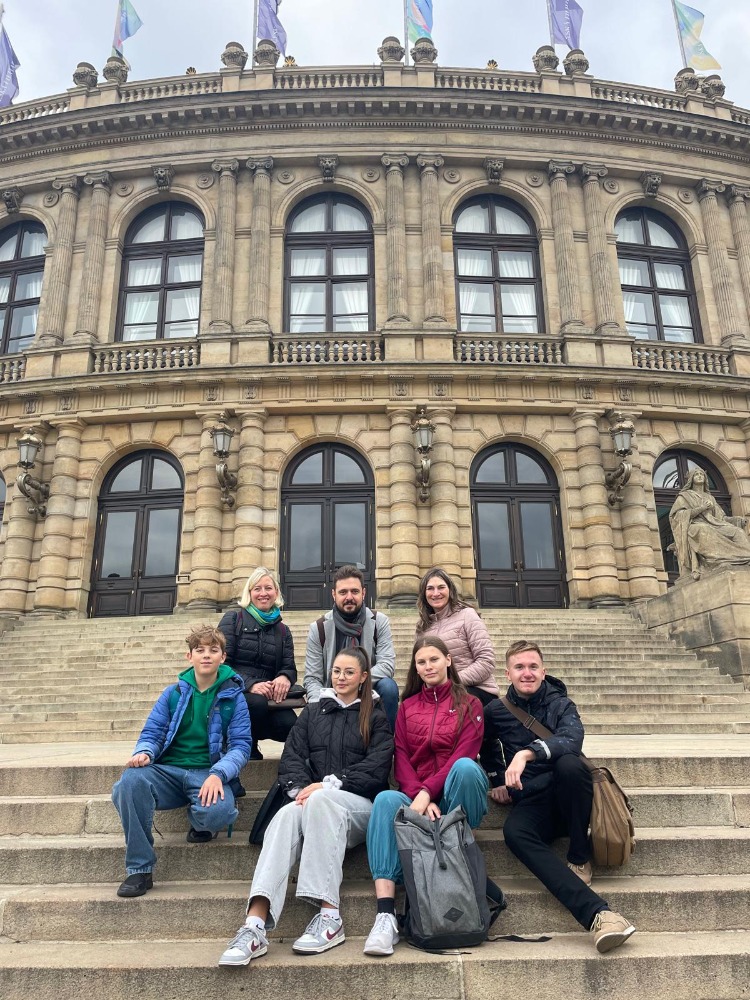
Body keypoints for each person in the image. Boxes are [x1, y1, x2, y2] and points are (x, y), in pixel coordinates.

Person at [218, 646, 394, 965]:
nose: (341, 677)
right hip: (316, 805)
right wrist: (301, 791)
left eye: (349, 672)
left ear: (363, 677)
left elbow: (377, 768)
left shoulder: (376, 715)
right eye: (336, 671)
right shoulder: (313, 712)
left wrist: (329, 784)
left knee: (322, 799)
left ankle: (330, 916)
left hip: (360, 809)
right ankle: (254, 925)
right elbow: (293, 757)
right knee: (287, 815)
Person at [482, 639, 636, 954]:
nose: (527, 673)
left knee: (569, 764)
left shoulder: (561, 704)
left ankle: (579, 856)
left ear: (543, 671)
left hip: (571, 799)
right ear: (508, 673)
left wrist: (526, 753)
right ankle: (601, 915)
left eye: (533, 666)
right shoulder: (496, 710)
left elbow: (571, 740)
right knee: (514, 832)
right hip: (533, 800)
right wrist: (497, 779)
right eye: (519, 667)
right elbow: (485, 744)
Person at [363, 635, 487, 957]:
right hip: (417, 796)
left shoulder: (471, 704)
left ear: (448, 660)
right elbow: (401, 757)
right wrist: (420, 794)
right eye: (421, 662)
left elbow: (464, 752)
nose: (428, 666)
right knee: (385, 801)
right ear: (415, 668)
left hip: (454, 795)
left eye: (434, 659)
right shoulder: (407, 707)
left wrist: (428, 792)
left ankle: (458, 844)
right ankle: (385, 915)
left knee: (466, 768)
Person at [111, 625, 251, 898]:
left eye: (213, 650)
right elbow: (152, 733)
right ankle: (139, 869)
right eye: (200, 650)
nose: (206, 655)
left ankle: (200, 820)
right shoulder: (172, 693)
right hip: (168, 771)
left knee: (218, 814)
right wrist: (145, 752)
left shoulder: (234, 697)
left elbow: (241, 746)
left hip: (207, 772)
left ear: (223, 657)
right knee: (128, 783)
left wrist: (219, 774)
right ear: (190, 656)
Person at [303, 564, 399, 730]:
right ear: (334, 594)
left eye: (354, 591)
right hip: (333, 692)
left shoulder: (379, 622)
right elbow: (312, 678)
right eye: (343, 592)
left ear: (363, 593)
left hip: (368, 689)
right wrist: (319, 706)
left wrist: (354, 683)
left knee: (389, 687)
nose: (349, 597)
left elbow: (387, 665)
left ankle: (386, 741)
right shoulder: (318, 628)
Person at [218, 567, 298, 760]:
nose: (263, 593)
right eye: (257, 588)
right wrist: (250, 685)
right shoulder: (233, 619)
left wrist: (284, 677)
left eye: (268, 588)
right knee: (256, 702)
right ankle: (244, 745)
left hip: (267, 696)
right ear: (249, 593)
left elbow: (289, 666)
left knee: (290, 724)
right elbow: (220, 665)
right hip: (236, 692)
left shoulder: (283, 630)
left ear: (276, 592)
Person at [415, 567, 498, 704]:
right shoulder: (422, 627)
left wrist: (450, 682)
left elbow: (486, 661)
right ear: (424, 594)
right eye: (430, 588)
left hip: (475, 689)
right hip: (439, 691)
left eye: (441, 587)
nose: (436, 593)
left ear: (450, 590)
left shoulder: (467, 615)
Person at [669, 468, 750, 579]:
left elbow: (721, 518)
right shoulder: (684, 496)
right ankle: (720, 559)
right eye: (696, 474)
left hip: (714, 524)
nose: (699, 476)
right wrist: (701, 508)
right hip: (695, 525)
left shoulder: (710, 497)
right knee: (705, 529)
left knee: (737, 531)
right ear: (691, 479)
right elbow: (677, 516)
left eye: (701, 474)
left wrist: (736, 520)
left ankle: (744, 557)